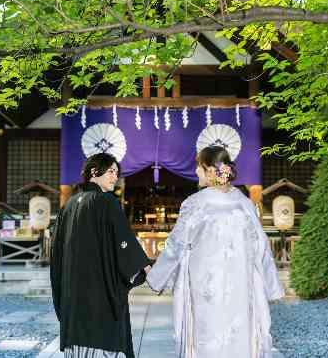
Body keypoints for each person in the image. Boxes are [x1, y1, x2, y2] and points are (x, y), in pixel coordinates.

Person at [147, 145, 284, 358]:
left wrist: (156, 278)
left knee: (207, 338)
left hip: (205, 286)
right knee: (239, 336)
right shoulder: (244, 204)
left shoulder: (195, 204)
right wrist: (272, 287)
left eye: (198, 167)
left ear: (211, 170)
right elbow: (261, 247)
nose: (195, 172)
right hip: (240, 284)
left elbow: (176, 245)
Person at [50, 152, 152, 358]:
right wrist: (144, 266)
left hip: (73, 289)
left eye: (117, 172)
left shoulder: (68, 205)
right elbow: (124, 242)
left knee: (78, 339)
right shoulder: (106, 202)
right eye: (111, 172)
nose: (115, 177)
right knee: (103, 334)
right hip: (99, 291)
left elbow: (57, 249)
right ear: (94, 172)